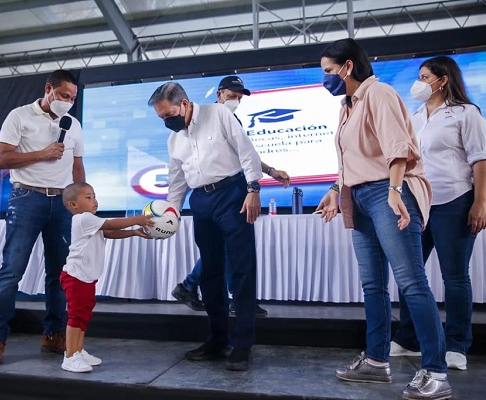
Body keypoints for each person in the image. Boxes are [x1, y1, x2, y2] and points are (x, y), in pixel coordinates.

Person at [315, 39, 452, 400]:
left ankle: (436, 372)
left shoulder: (380, 94)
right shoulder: (348, 105)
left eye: (328, 71)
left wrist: (394, 192)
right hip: (359, 196)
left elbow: (397, 148)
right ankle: (377, 361)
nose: (324, 78)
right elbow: (353, 159)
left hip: (387, 191)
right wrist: (334, 187)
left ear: (347, 67)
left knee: (411, 282)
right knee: (372, 285)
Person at [149, 81, 262, 371]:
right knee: (210, 273)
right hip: (201, 201)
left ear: (184, 104)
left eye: (168, 114)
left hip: (233, 193)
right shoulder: (174, 140)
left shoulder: (218, 114)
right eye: (161, 118)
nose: (166, 122)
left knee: (241, 269)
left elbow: (246, 151)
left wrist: (253, 190)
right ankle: (217, 340)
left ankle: (242, 345)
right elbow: (176, 184)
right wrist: (170, 215)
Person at [0, 69, 85, 365]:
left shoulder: (73, 125)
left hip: (63, 202)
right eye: (64, 95)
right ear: (48, 89)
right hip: (27, 198)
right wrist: (41, 154)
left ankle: (53, 334)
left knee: (59, 275)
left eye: (73, 98)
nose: (68, 102)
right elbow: (0, 159)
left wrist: (83, 202)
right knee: (11, 271)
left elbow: (77, 167)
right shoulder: (20, 116)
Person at [390, 56, 486, 371]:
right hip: (419, 203)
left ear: (442, 80)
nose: (419, 82)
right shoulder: (415, 117)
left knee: (454, 276)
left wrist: (480, 202)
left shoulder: (466, 113)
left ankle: (457, 344)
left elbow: (480, 160)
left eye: (425, 76)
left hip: (456, 199)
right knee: (411, 274)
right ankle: (409, 339)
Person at [171, 75, 291, 316]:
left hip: (230, 190)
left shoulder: (231, 118)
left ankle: (198, 288)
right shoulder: (205, 120)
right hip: (213, 192)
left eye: (239, 97)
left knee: (225, 248)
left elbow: (244, 152)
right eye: (231, 95)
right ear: (219, 95)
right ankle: (206, 290)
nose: (235, 100)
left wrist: (269, 171)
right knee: (223, 248)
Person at [59, 182, 153, 372]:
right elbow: (110, 224)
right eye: (88, 197)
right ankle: (69, 356)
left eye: (94, 196)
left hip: (85, 277)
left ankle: (78, 350)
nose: (94, 201)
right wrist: (138, 219)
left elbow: (109, 232)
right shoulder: (82, 219)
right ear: (73, 205)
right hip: (76, 277)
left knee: (84, 315)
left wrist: (133, 232)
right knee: (76, 316)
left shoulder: (91, 221)